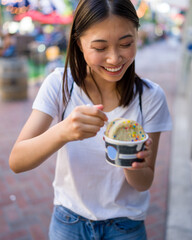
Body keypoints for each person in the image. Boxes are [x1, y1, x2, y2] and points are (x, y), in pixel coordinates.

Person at [9, 0, 172, 239]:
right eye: (100, 47)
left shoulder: (149, 96)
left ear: (137, 37)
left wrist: (131, 159)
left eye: (126, 44)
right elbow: (17, 161)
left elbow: (144, 182)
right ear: (79, 44)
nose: (115, 58)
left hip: (126, 226)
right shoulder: (60, 84)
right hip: (69, 223)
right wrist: (63, 132)